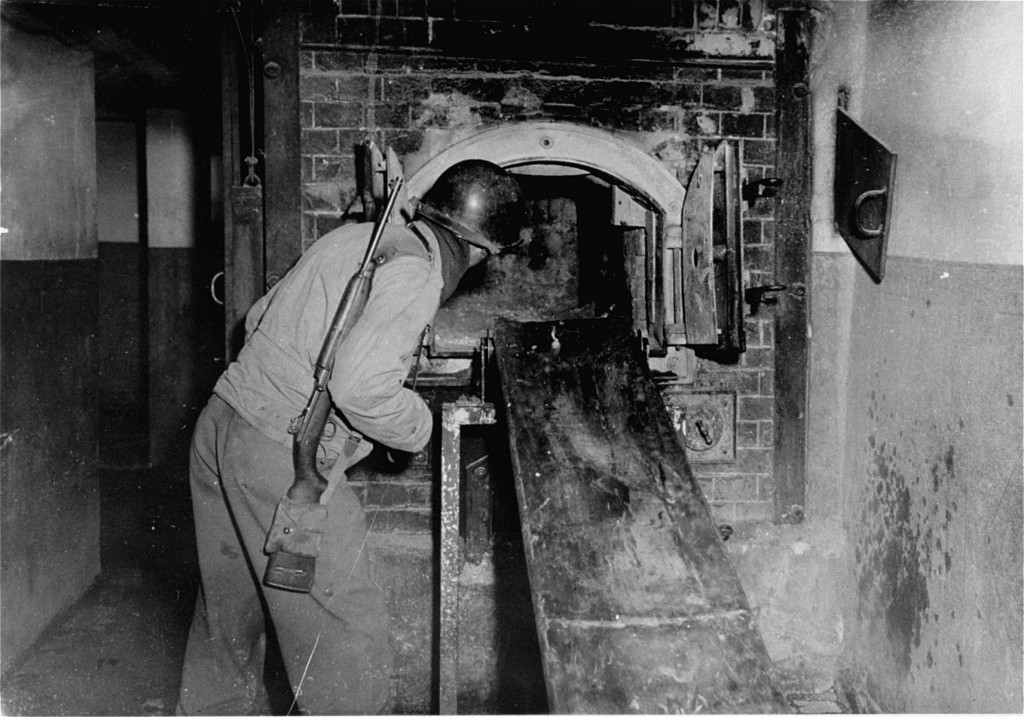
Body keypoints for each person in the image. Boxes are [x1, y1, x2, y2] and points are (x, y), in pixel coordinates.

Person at [177, 160, 527, 715]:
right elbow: (360, 387)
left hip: (221, 427)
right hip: (281, 459)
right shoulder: (417, 273)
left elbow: (258, 317)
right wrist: (419, 425)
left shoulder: (355, 238)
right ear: (477, 249)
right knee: (345, 637)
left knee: (228, 621)